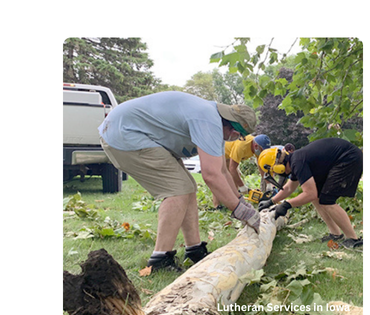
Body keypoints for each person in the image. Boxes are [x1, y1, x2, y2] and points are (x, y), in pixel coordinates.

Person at [98, 91, 261, 271]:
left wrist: (240, 200)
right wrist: (240, 211)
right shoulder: (208, 120)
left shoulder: (212, 118)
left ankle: (194, 249)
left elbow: (222, 170)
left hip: (128, 131)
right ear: (232, 128)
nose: (235, 139)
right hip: (124, 134)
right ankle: (159, 259)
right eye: (237, 136)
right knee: (178, 190)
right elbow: (211, 175)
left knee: (188, 187)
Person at [258, 138, 363, 250]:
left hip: (348, 158)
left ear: (278, 166)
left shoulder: (297, 162)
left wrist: (286, 205)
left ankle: (353, 239)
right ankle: (336, 234)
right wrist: (271, 201)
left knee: (327, 201)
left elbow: (309, 194)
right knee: (317, 198)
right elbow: (289, 188)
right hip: (343, 158)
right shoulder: (295, 160)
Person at [212, 134, 271, 209]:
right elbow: (232, 168)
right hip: (219, 151)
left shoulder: (257, 148)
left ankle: (231, 202)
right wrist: (242, 186)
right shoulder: (242, 146)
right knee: (219, 178)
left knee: (234, 178)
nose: (263, 153)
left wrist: (268, 183)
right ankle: (217, 206)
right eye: (262, 150)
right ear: (256, 146)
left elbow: (261, 166)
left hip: (228, 154)